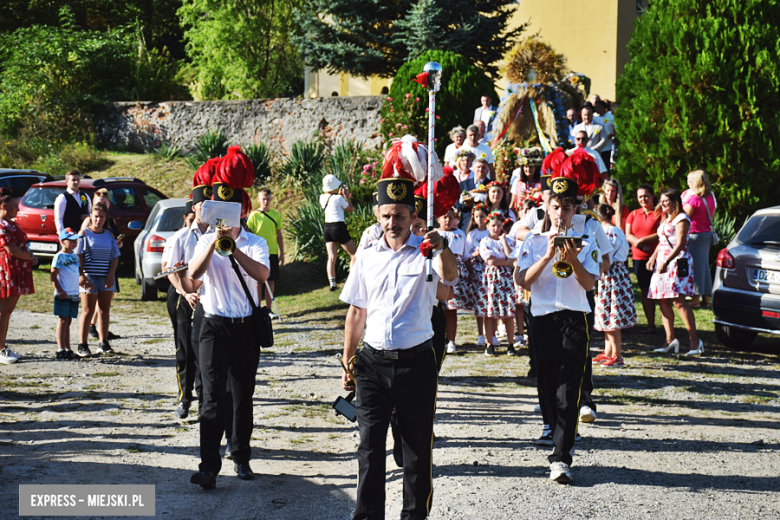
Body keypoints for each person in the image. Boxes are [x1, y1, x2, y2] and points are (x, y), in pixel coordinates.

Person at [339, 175, 456, 520]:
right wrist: (348, 362)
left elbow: (447, 288)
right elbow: (356, 311)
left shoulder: (427, 252)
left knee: (417, 452)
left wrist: (443, 246)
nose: (393, 223)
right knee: (369, 450)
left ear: (412, 215)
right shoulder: (368, 254)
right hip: (372, 365)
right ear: (377, 214)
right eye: (387, 215)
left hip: (416, 365)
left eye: (400, 216)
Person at [185, 146, 270, 489]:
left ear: (241, 210)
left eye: (231, 211)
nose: (227, 218)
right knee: (211, 397)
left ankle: (241, 455)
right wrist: (213, 241)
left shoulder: (254, 242)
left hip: (246, 327)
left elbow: (262, 274)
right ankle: (208, 466)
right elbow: (193, 275)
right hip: (215, 325)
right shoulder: (205, 239)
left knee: (242, 394)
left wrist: (233, 248)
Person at [515, 176, 600, 484]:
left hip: (574, 319)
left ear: (574, 209)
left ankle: (561, 457)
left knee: (568, 388)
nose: (561, 214)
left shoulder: (586, 240)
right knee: (548, 384)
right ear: (547, 208)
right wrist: (548, 255)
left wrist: (573, 258)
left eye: (567, 208)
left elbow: (589, 283)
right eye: (556, 207)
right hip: (542, 319)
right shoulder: (534, 241)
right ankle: (554, 432)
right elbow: (522, 280)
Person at [162, 166, 214, 420]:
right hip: (183, 294)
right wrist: (185, 293)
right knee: (184, 347)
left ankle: (205, 397)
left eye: (210, 204)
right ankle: (185, 397)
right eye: (202, 204)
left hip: (209, 295)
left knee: (207, 348)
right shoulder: (181, 237)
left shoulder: (217, 235)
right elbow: (171, 271)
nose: (206, 209)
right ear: (194, 208)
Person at [647, 189, 702, 356]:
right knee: (662, 300)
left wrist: (666, 261)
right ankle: (670, 340)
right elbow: (662, 241)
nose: (662, 204)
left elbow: (679, 244)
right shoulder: (665, 219)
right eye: (661, 201)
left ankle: (695, 341)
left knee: (678, 301)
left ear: (675, 202)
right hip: (662, 261)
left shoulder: (681, 219)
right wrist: (653, 257)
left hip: (676, 262)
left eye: (666, 201)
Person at [592, 205, 636, 368]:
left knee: (613, 314)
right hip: (613, 274)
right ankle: (608, 351)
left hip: (612, 275)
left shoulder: (608, 232)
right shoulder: (615, 230)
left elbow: (607, 259)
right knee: (606, 312)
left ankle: (617, 355)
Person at [76, 203, 121, 357]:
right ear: (91, 217)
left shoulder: (109, 235)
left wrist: (111, 274)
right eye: (96, 216)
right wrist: (81, 275)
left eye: (101, 217)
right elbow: (78, 256)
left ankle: (103, 342)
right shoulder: (84, 234)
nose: (98, 220)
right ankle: (82, 344)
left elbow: (114, 256)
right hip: (89, 276)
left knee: (104, 310)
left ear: (105, 218)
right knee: (88, 310)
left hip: (106, 276)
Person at [0, 187, 37, 364]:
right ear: (4, 206)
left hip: (15, 269)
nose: (18, 210)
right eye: (15, 206)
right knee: (3, 311)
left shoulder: (11, 223)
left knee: (7, 312)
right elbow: (12, 250)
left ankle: (2, 346)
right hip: (5, 270)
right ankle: (0, 349)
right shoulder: (1, 225)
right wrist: (31, 257)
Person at [83, 189, 122, 341]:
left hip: (108, 264)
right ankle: (86, 337)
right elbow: (81, 244)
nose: (102, 205)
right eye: (99, 202)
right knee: (90, 306)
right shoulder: (89, 222)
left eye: (104, 203)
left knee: (105, 305)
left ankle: (102, 336)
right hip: (92, 270)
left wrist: (119, 243)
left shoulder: (110, 221)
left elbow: (115, 240)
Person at [478, 211, 517, 356]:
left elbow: (512, 257)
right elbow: (491, 260)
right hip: (492, 278)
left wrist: (504, 240)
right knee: (490, 312)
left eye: (499, 225)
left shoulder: (507, 240)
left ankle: (511, 344)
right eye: (493, 225)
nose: (496, 228)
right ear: (488, 226)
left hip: (506, 278)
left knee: (508, 312)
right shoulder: (485, 241)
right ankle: (489, 343)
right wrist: (507, 262)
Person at [625, 185, 660, 334]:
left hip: (657, 257)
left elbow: (662, 232)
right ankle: (650, 324)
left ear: (652, 196)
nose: (643, 199)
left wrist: (643, 241)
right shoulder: (633, 214)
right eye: (640, 197)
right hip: (639, 258)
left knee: (660, 293)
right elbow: (628, 234)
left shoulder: (660, 213)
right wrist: (639, 244)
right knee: (645, 290)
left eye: (646, 196)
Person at [51, 229, 90, 360]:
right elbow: (53, 276)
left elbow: (78, 273)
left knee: (69, 321)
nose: (74, 243)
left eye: (76, 241)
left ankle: (68, 348)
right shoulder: (59, 256)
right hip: (63, 293)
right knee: (62, 320)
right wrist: (60, 290)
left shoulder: (74, 256)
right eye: (71, 241)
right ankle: (60, 349)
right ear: (62, 242)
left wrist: (83, 284)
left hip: (74, 293)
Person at [682, 169, 716, 308]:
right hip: (706, 234)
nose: (687, 183)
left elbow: (684, 217)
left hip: (695, 235)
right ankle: (706, 299)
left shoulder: (694, 199)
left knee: (695, 266)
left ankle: (695, 298)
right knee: (704, 267)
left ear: (696, 182)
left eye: (690, 180)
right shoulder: (711, 196)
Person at [247, 187, 285, 312]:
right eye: (263, 199)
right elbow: (249, 234)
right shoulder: (253, 216)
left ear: (271, 199)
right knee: (258, 281)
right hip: (258, 252)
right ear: (258, 199)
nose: (265, 202)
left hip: (272, 251)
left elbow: (279, 235)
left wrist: (282, 253)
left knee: (271, 280)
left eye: (268, 199)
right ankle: (257, 307)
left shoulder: (276, 215)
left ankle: (268, 308)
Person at [438, 208, 470, 355]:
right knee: (438, 309)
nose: (448, 220)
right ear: (438, 219)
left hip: (455, 271)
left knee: (451, 309)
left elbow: (466, 256)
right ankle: (439, 338)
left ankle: (451, 340)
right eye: (444, 217)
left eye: (451, 217)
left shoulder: (460, 234)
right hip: (438, 270)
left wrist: (470, 272)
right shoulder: (436, 233)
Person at [320, 174, 356, 291]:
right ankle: (353, 281)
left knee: (331, 257)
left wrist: (340, 196)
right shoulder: (339, 198)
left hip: (327, 228)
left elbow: (333, 203)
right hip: (338, 227)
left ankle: (332, 284)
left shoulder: (322, 197)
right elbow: (350, 209)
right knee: (354, 255)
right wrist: (346, 196)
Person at [466, 203, 490, 346]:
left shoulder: (489, 233)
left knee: (490, 302)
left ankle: (490, 334)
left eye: (482, 216)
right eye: (477, 217)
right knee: (479, 302)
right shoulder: (472, 234)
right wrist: (477, 253)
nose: (480, 219)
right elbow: (468, 253)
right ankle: (481, 334)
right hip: (476, 269)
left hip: (488, 269)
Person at [54, 169, 91, 235]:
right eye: (73, 180)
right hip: (70, 234)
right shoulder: (63, 197)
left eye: (78, 180)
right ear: (67, 181)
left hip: (85, 234)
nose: (76, 182)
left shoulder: (85, 196)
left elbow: (90, 212)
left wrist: (87, 217)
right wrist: (63, 236)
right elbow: (59, 219)